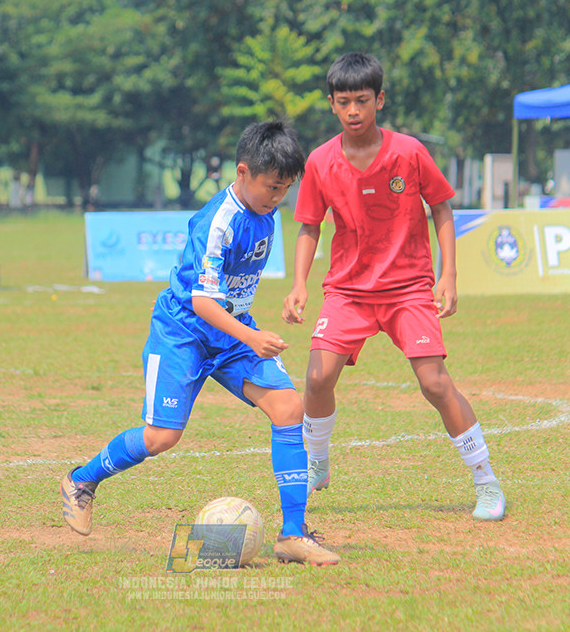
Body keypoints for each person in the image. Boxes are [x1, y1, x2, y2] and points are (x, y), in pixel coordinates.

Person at [60, 121, 340, 565]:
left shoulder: (266, 213)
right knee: (161, 437)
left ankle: (292, 534)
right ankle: (81, 480)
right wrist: (252, 337)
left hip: (231, 329)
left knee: (289, 409)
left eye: (285, 188)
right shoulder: (217, 221)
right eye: (271, 186)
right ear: (243, 172)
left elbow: (235, 289)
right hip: (184, 331)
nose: (277, 196)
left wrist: (291, 293)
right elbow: (202, 300)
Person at [281, 52, 506, 522]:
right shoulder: (320, 161)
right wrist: (299, 283)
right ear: (331, 104)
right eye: (344, 102)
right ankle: (317, 457)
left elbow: (442, 208)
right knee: (318, 378)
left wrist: (448, 275)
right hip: (347, 290)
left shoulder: (410, 152)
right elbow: (308, 226)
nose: (353, 111)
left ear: (379, 100)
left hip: (408, 289)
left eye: (362, 100)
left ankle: (486, 481)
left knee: (435, 384)